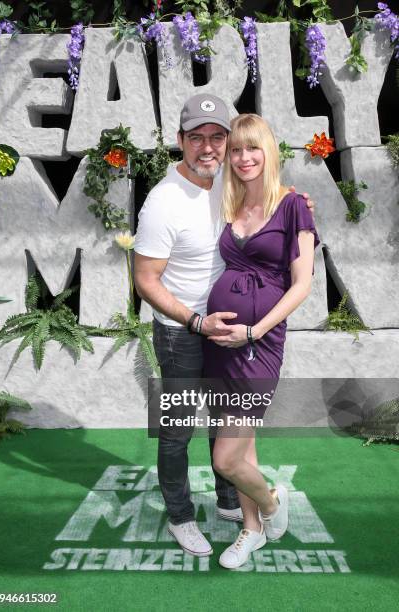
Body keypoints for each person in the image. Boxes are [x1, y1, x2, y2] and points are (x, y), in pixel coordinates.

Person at [134, 93, 314, 558]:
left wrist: (297, 202)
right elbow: (145, 279)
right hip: (181, 333)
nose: (210, 148)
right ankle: (180, 514)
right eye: (198, 138)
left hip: (232, 337)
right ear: (180, 142)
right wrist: (196, 321)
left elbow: (269, 201)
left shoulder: (228, 181)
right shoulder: (162, 201)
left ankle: (231, 498)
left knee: (224, 423)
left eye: (219, 138)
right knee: (176, 429)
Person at [203, 113, 319, 568]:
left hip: (257, 345)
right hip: (220, 344)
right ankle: (252, 530)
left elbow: (301, 285)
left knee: (226, 459)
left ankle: (271, 505)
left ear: (269, 151)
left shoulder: (294, 205)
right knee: (244, 446)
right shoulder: (230, 206)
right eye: (236, 150)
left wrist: (253, 330)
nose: (244, 158)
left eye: (253, 148)